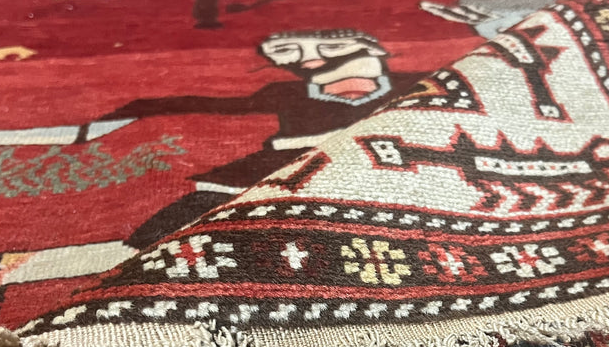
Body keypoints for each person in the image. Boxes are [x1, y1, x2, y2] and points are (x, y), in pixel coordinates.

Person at [105, 29, 425, 248]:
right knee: (199, 210)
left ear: (374, 48)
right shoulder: (284, 91)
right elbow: (220, 105)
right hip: (285, 164)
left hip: (400, 161)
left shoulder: (417, 83)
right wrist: (141, 106)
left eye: (331, 46)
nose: (309, 58)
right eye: (286, 50)